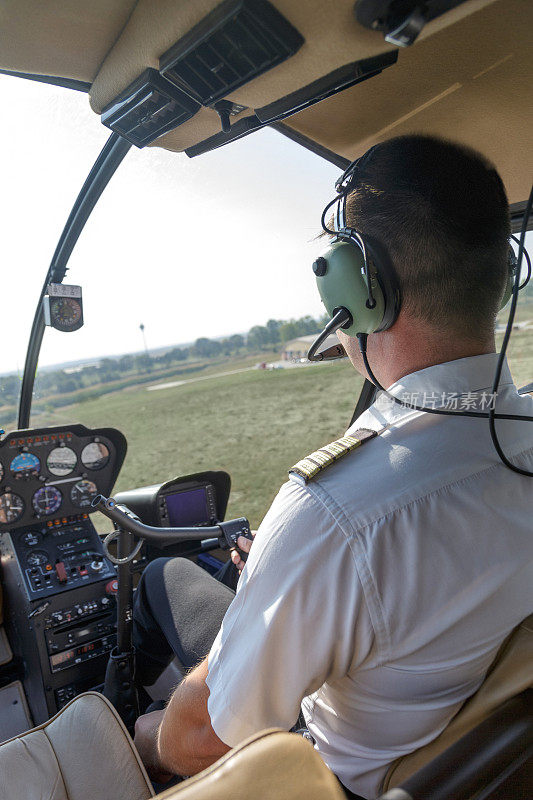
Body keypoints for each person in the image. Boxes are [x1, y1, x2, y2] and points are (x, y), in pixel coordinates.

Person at [132, 135, 533, 799]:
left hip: (333, 778)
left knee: (158, 578)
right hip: (486, 769)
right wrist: (295, 568)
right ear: (499, 272)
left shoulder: (331, 515)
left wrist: (144, 735)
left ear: (359, 288)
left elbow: (198, 741)